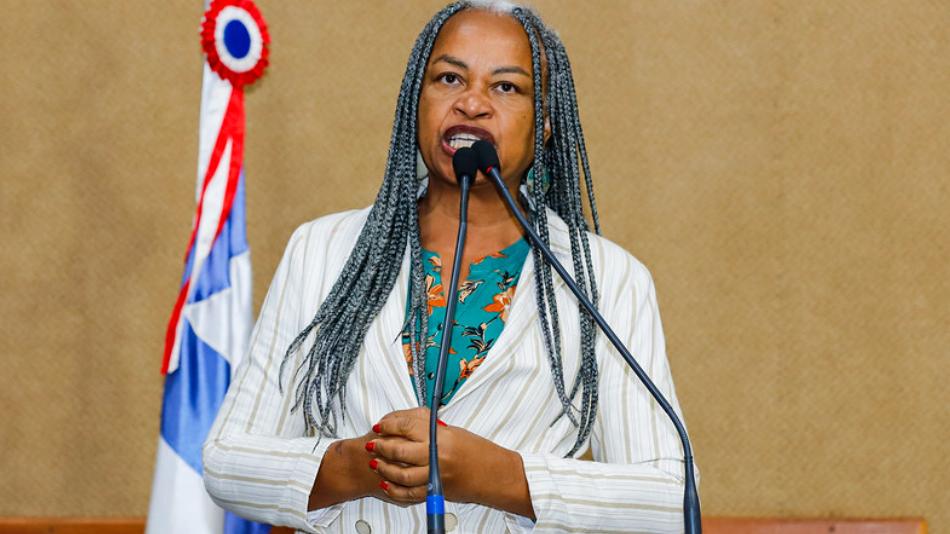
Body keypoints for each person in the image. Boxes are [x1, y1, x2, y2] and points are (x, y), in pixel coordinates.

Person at [203, 1, 697, 532]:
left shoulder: (606, 279)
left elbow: (669, 497)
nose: (472, 103)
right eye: (449, 78)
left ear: (545, 124)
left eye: (506, 87)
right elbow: (228, 460)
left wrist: (497, 476)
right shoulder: (322, 250)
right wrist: (357, 465)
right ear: (417, 100)